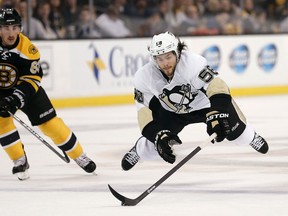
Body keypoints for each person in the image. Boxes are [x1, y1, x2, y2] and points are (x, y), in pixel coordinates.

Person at [121, 31, 269, 171]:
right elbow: (143, 112)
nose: (165, 63)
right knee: (156, 144)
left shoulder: (192, 63)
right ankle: (139, 151)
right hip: (172, 112)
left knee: (239, 135)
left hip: (206, 106)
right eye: (159, 59)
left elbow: (217, 86)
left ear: (177, 53)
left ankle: (251, 137)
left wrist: (218, 111)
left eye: (168, 57)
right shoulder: (144, 76)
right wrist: (158, 135)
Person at [0, 8, 96, 180]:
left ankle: (79, 155)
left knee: (50, 124)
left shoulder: (28, 49)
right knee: (1, 122)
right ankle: (19, 160)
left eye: (15, 27)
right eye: (6, 28)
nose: (11, 32)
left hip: (28, 91)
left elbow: (32, 79)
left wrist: (16, 98)